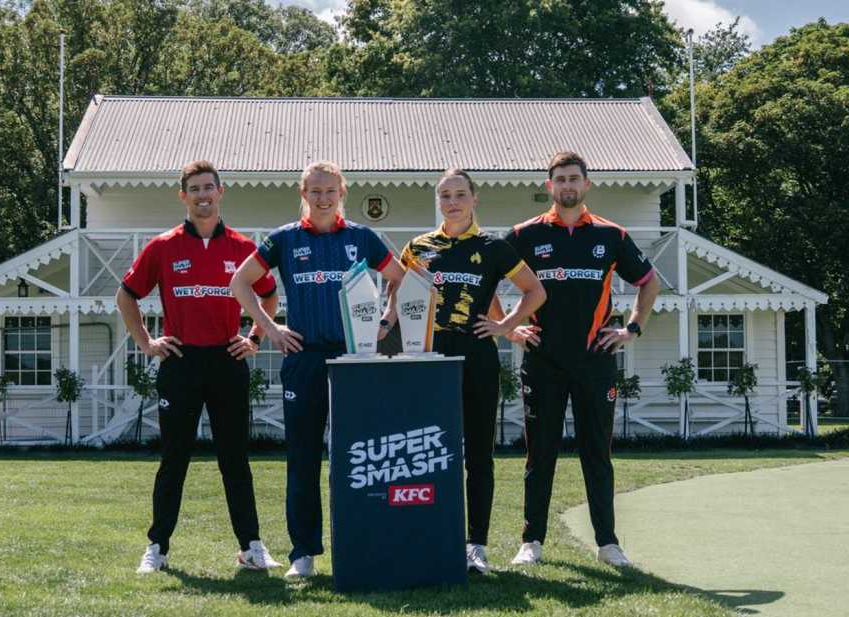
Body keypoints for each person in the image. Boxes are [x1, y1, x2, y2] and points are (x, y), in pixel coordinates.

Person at [230, 161, 405, 579]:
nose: (323, 198)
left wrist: (386, 319)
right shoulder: (284, 239)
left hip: (353, 360)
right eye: (315, 191)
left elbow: (401, 277)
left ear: (342, 192)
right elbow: (240, 282)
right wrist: (269, 328)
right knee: (303, 459)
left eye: (330, 190)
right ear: (303, 194)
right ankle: (303, 553)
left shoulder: (361, 237)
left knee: (359, 456)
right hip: (303, 357)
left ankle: (361, 544)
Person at [116, 160, 283, 574]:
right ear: (183, 195)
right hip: (181, 361)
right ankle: (158, 547)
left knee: (235, 459)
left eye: (209, 187)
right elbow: (126, 296)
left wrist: (255, 338)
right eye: (195, 188)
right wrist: (147, 343)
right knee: (174, 459)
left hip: (227, 361)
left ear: (221, 192)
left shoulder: (244, 248)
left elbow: (270, 296)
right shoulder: (163, 246)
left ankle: (251, 547)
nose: (203, 195)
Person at [504, 151, 660, 568]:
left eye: (574, 178)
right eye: (560, 179)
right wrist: (507, 328)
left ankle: (608, 543)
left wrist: (631, 329)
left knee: (597, 453)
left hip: (595, 361)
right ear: (548, 185)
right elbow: (483, 278)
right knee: (541, 454)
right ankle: (531, 541)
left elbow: (649, 283)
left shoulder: (611, 236)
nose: (567, 186)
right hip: (543, 361)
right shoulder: (524, 235)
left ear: (586, 184)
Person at [386, 169, 546, 574]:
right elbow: (397, 290)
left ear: (475, 199)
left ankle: (476, 545)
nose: (452, 202)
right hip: (429, 358)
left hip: (476, 356)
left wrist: (505, 325)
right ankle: (429, 535)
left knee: (478, 453)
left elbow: (535, 291)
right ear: (437, 202)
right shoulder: (418, 247)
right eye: (445, 196)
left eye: (460, 195)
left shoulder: (493, 246)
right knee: (427, 452)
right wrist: (387, 321)